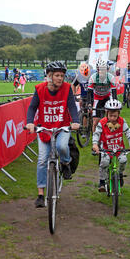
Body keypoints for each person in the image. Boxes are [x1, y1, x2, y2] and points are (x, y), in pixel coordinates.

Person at [25, 61, 80, 208]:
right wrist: (30, 122)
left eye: (62, 75)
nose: (60, 78)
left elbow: (72, 107)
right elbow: (32, 108)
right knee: (42, 160)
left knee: (62, 146)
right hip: (45, 128)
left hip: (62, 127)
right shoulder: (40, 89)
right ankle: (41, 194)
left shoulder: (67, 88)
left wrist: (75, 121)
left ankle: (66, 163)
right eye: (57, 75)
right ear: (49, 76)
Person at [92, 98, 130, 192]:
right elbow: (96, 134)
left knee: (123, 160)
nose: (112, 118)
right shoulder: (102, 122)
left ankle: (120, 174)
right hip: (106, 149)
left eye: (115, 116)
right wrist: (95, 144)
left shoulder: (122, 122)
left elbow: (129, 133)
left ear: (119, 114)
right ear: (106, 113)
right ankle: (102, 181)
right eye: (110, 115)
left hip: (119, 149)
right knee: (104, 163)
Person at [87, 58, 117, 132]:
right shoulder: (93, 77)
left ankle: (111, 134)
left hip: (107, 97)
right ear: (97, 70)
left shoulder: (111, 77)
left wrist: (115, 103)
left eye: (103, 69)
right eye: (99, 69)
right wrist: (89, 103)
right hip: (97, 98)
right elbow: (89, 92)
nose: (101, 71)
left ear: (106, 70)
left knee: (112, 118)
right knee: (95, 121)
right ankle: (95, 140)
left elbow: (114, 92)